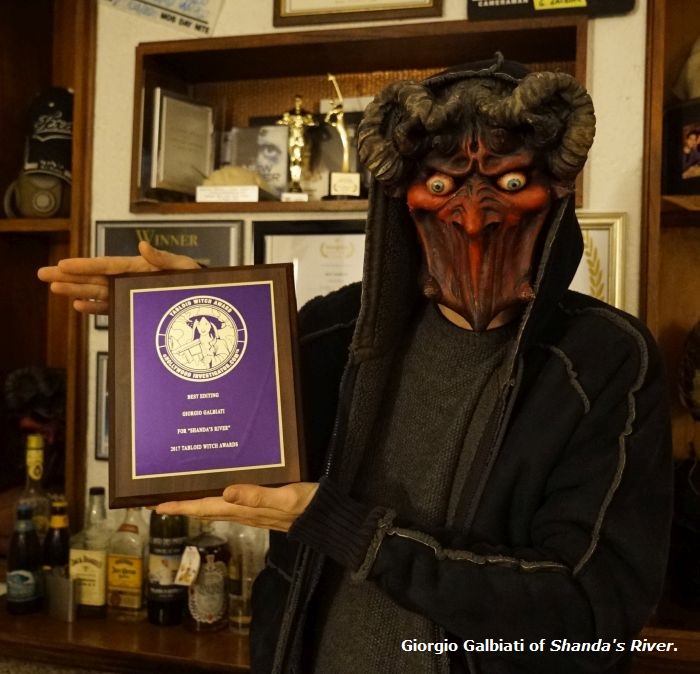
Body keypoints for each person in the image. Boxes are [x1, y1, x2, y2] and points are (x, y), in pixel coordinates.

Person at [39, 55, 672, 673]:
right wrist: (200, 302)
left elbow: (591, 613)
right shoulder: (334, 330)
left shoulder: (602, 361)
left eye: (508, 184)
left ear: (554, 194)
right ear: (404, 198)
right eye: (443, 185)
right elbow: (243, 411)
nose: (474, 218)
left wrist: (353, 531)